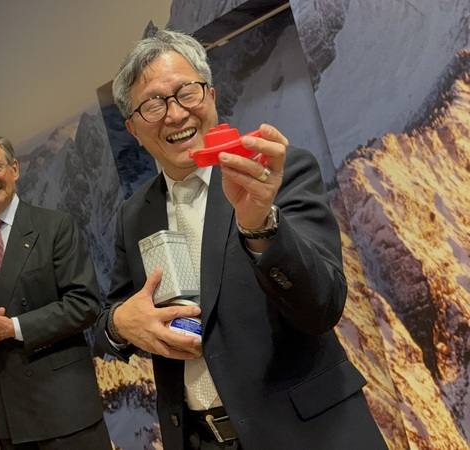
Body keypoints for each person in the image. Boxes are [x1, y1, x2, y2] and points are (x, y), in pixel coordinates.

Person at [93, 30, 387, 450]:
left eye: (186, 93)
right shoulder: (134, 214)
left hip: (308, 435)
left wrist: (261, 224)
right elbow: (110, 314)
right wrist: (121, 325)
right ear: (134, 129)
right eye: (153, 104)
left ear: (211, 96)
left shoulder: (272, 174)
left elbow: (322, 306)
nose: (175, 115)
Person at [0, 133, 111, 449]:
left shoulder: (55, 226)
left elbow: (84, 303)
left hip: (64, 404)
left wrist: (14, 328)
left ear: (15, 169)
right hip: (6, 409)